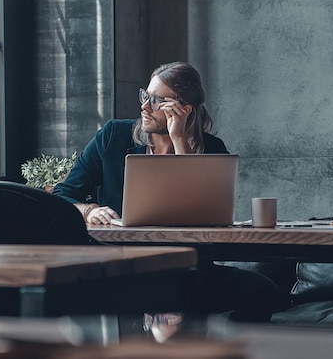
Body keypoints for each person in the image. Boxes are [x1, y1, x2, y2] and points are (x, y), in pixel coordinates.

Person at [53, 61, 278, 322]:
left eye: (157, 100)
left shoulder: (212, 148)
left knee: (261, 290)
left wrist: (179, 141)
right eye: (145, 96)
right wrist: (89, 209)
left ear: (184, 109)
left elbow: (207, 210)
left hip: (190, 269)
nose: (144, 106)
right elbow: (62, 195)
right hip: (125, 267)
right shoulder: (113, 136)